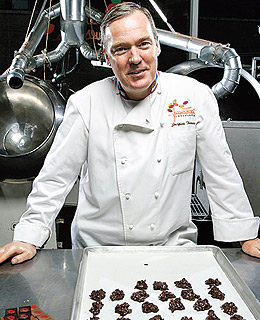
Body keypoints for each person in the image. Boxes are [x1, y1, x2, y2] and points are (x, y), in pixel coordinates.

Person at [0, 2, 259, 265]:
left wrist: (244, 234)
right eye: (121, 49)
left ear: (157, 44)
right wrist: (28, 236)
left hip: (171, 249)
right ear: (106, 56)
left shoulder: (194, 96)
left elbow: (220, 169)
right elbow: (55, 178)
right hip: (98, 251)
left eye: (143, 44)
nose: (135, 58)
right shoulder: (86, 103)